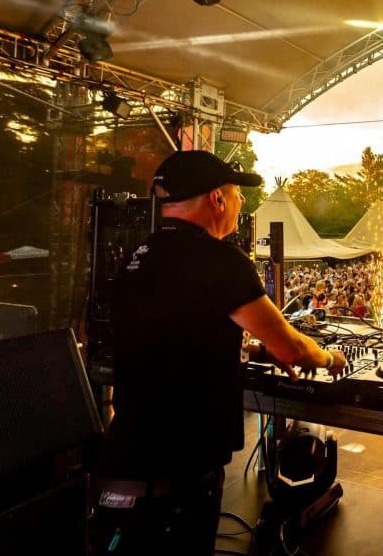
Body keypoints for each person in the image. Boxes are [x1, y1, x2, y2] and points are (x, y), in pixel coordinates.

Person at [89, 151, 347, 556]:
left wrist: (253, 348)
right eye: (237, 195)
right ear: (217, 199)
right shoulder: (220, 260)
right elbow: (293, 347)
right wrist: (331, 359)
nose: (242, 205)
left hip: (124, 456)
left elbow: (177, 329)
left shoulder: (138, 256)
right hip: (179, 470)